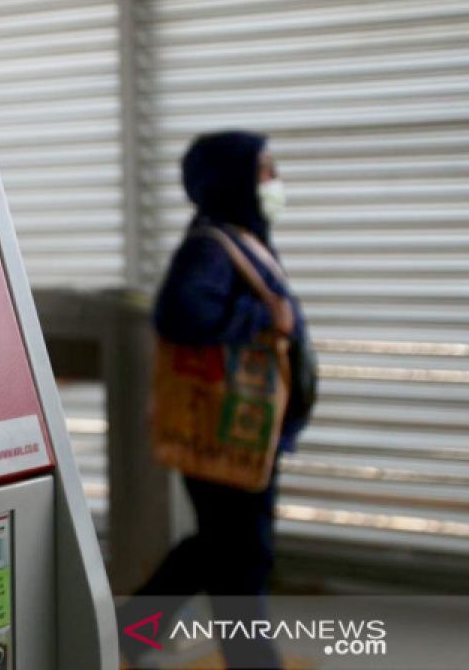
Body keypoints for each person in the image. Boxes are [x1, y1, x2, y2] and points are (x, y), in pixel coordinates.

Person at [124, 130, 312, 669]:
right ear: (233, 181)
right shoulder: (211, 248)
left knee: (216, 550)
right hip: (225, 426)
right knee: (240, 560)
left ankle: (129, 633)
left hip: (246, 430)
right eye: (264, 171)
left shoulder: (237, 238)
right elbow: (179, 316)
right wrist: (265, 320)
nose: (275, 182)